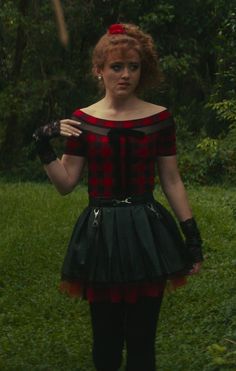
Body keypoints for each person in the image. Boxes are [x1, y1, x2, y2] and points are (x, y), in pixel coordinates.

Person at [33, 23, 203, 371]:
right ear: (99, 71)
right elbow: (66, 184)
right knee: (106, 341)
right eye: (116, 67)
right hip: (101, 233)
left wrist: (192, 234)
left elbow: (171, 180)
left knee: (142, 341)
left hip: (148, 230)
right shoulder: (83, 121)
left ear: (144, 69)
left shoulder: (159, 119)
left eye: (133, 67)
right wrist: (42, 143)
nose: (125, 75)